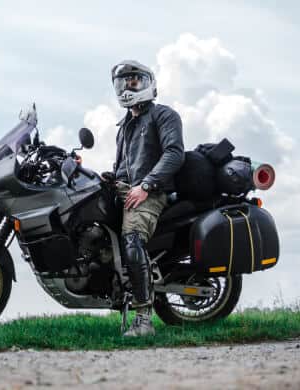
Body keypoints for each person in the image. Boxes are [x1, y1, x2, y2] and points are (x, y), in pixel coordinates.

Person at [104, 60, 185, 337]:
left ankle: (143, 319)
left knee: (131, 237)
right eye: (123, 81)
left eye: (134, 80)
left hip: (151, 192)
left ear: (148, 82)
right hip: (126, 190)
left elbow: (174, 153)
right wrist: (109, 179)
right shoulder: (124, 125)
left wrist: (147, 185)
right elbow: (123, 167)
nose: (128, 86)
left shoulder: (163, 115)